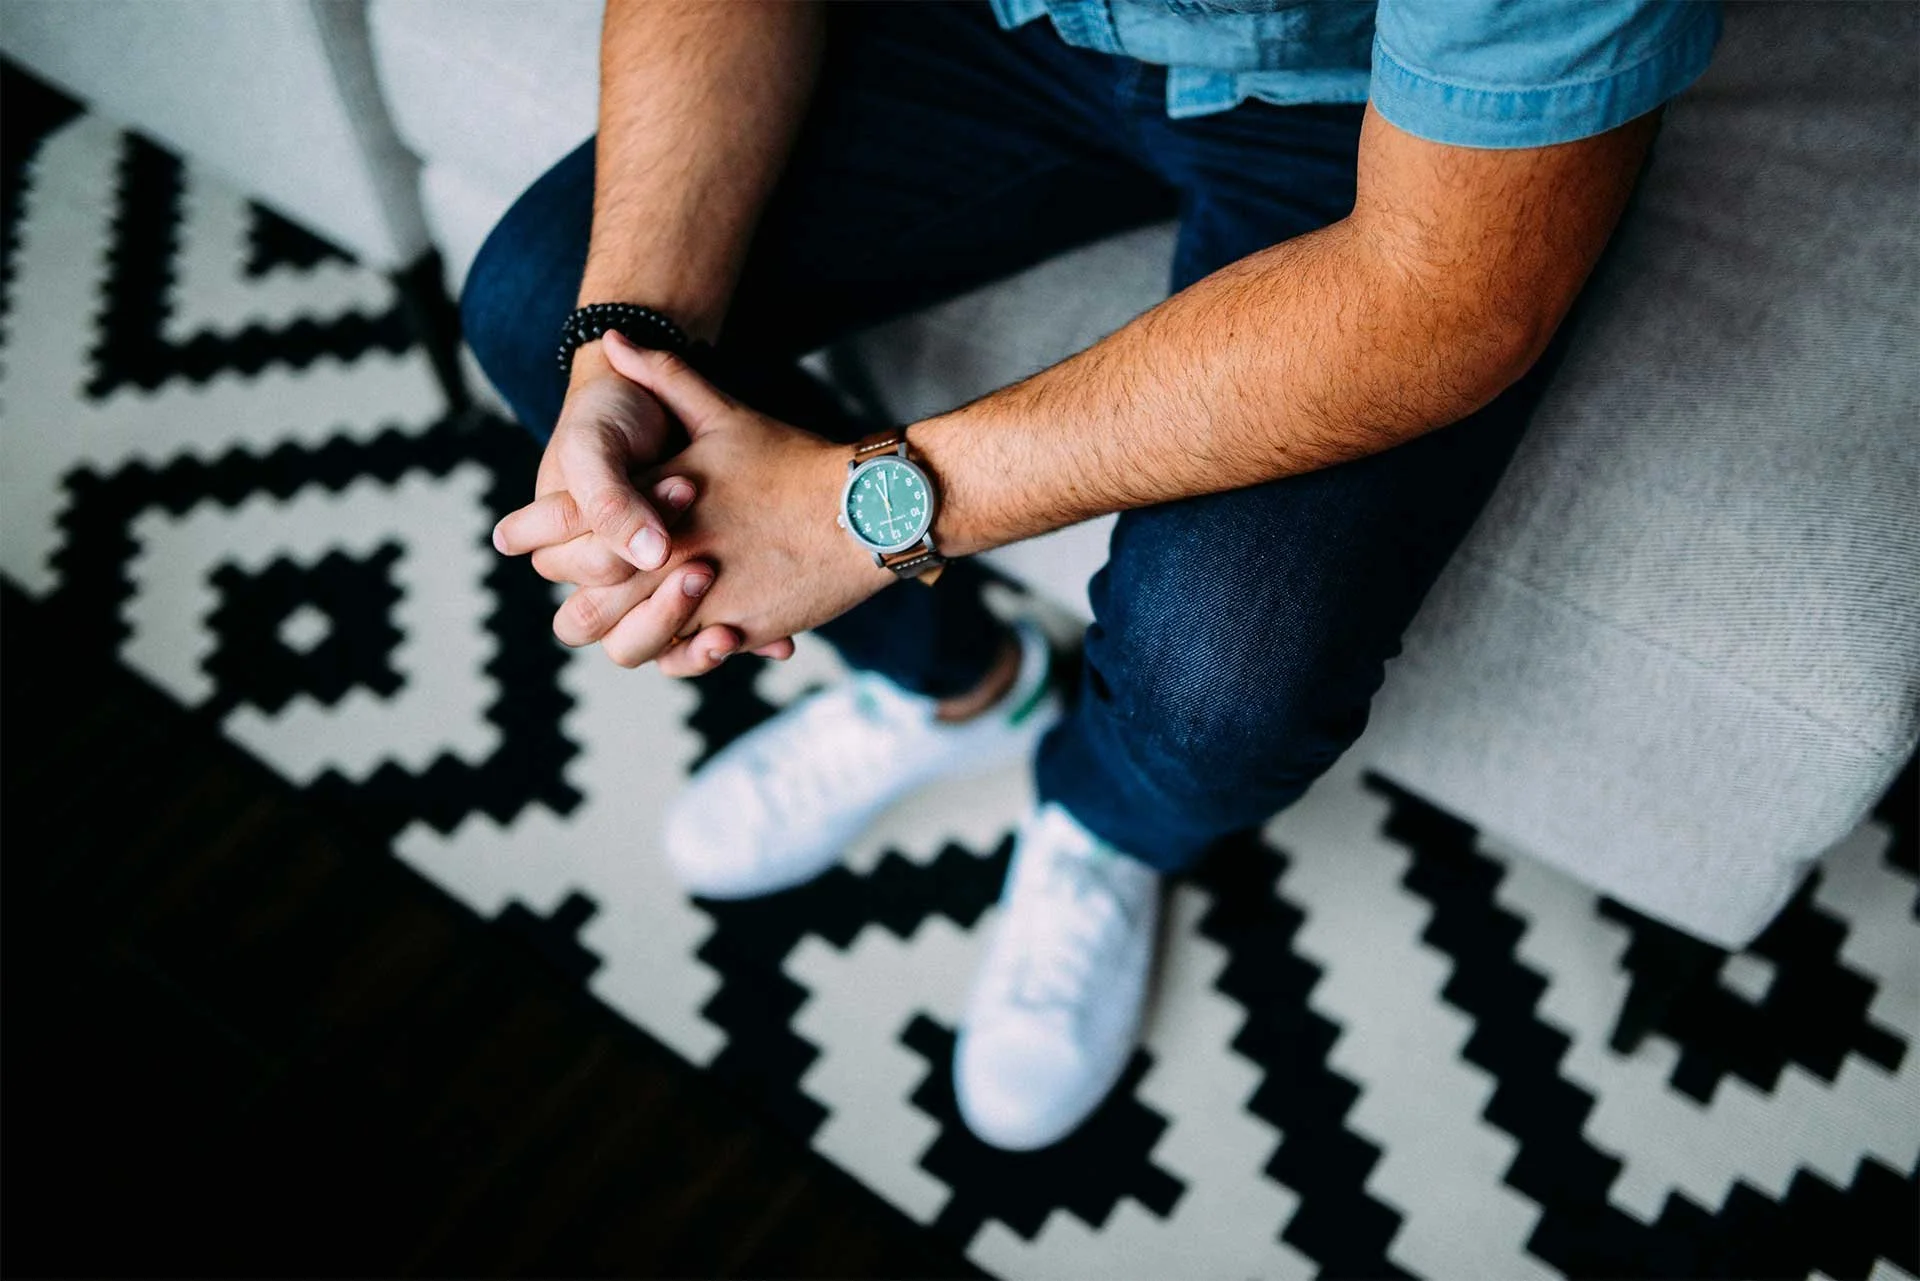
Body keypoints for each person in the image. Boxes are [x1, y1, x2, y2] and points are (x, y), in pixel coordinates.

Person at [461, 0, 1719, 1151]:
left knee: (1224, 673)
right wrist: (614, 362)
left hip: (1384, 121)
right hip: (990, 24)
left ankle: (1102, 820)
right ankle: (957, 690)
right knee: (540, 304)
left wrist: (863, 516)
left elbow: (1450, 294)